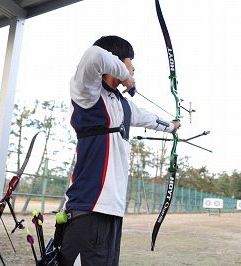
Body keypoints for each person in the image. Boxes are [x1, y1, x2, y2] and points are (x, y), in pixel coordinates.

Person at [59, 35, 181, 265]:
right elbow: (94, 55)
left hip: (113, 210)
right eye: (129, 61)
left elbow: (149, 118)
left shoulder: (122, 104)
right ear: (115, 59)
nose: (133, 67)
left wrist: (173, 127)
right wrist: (126, 77)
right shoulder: (87, 92)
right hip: (88, 207)